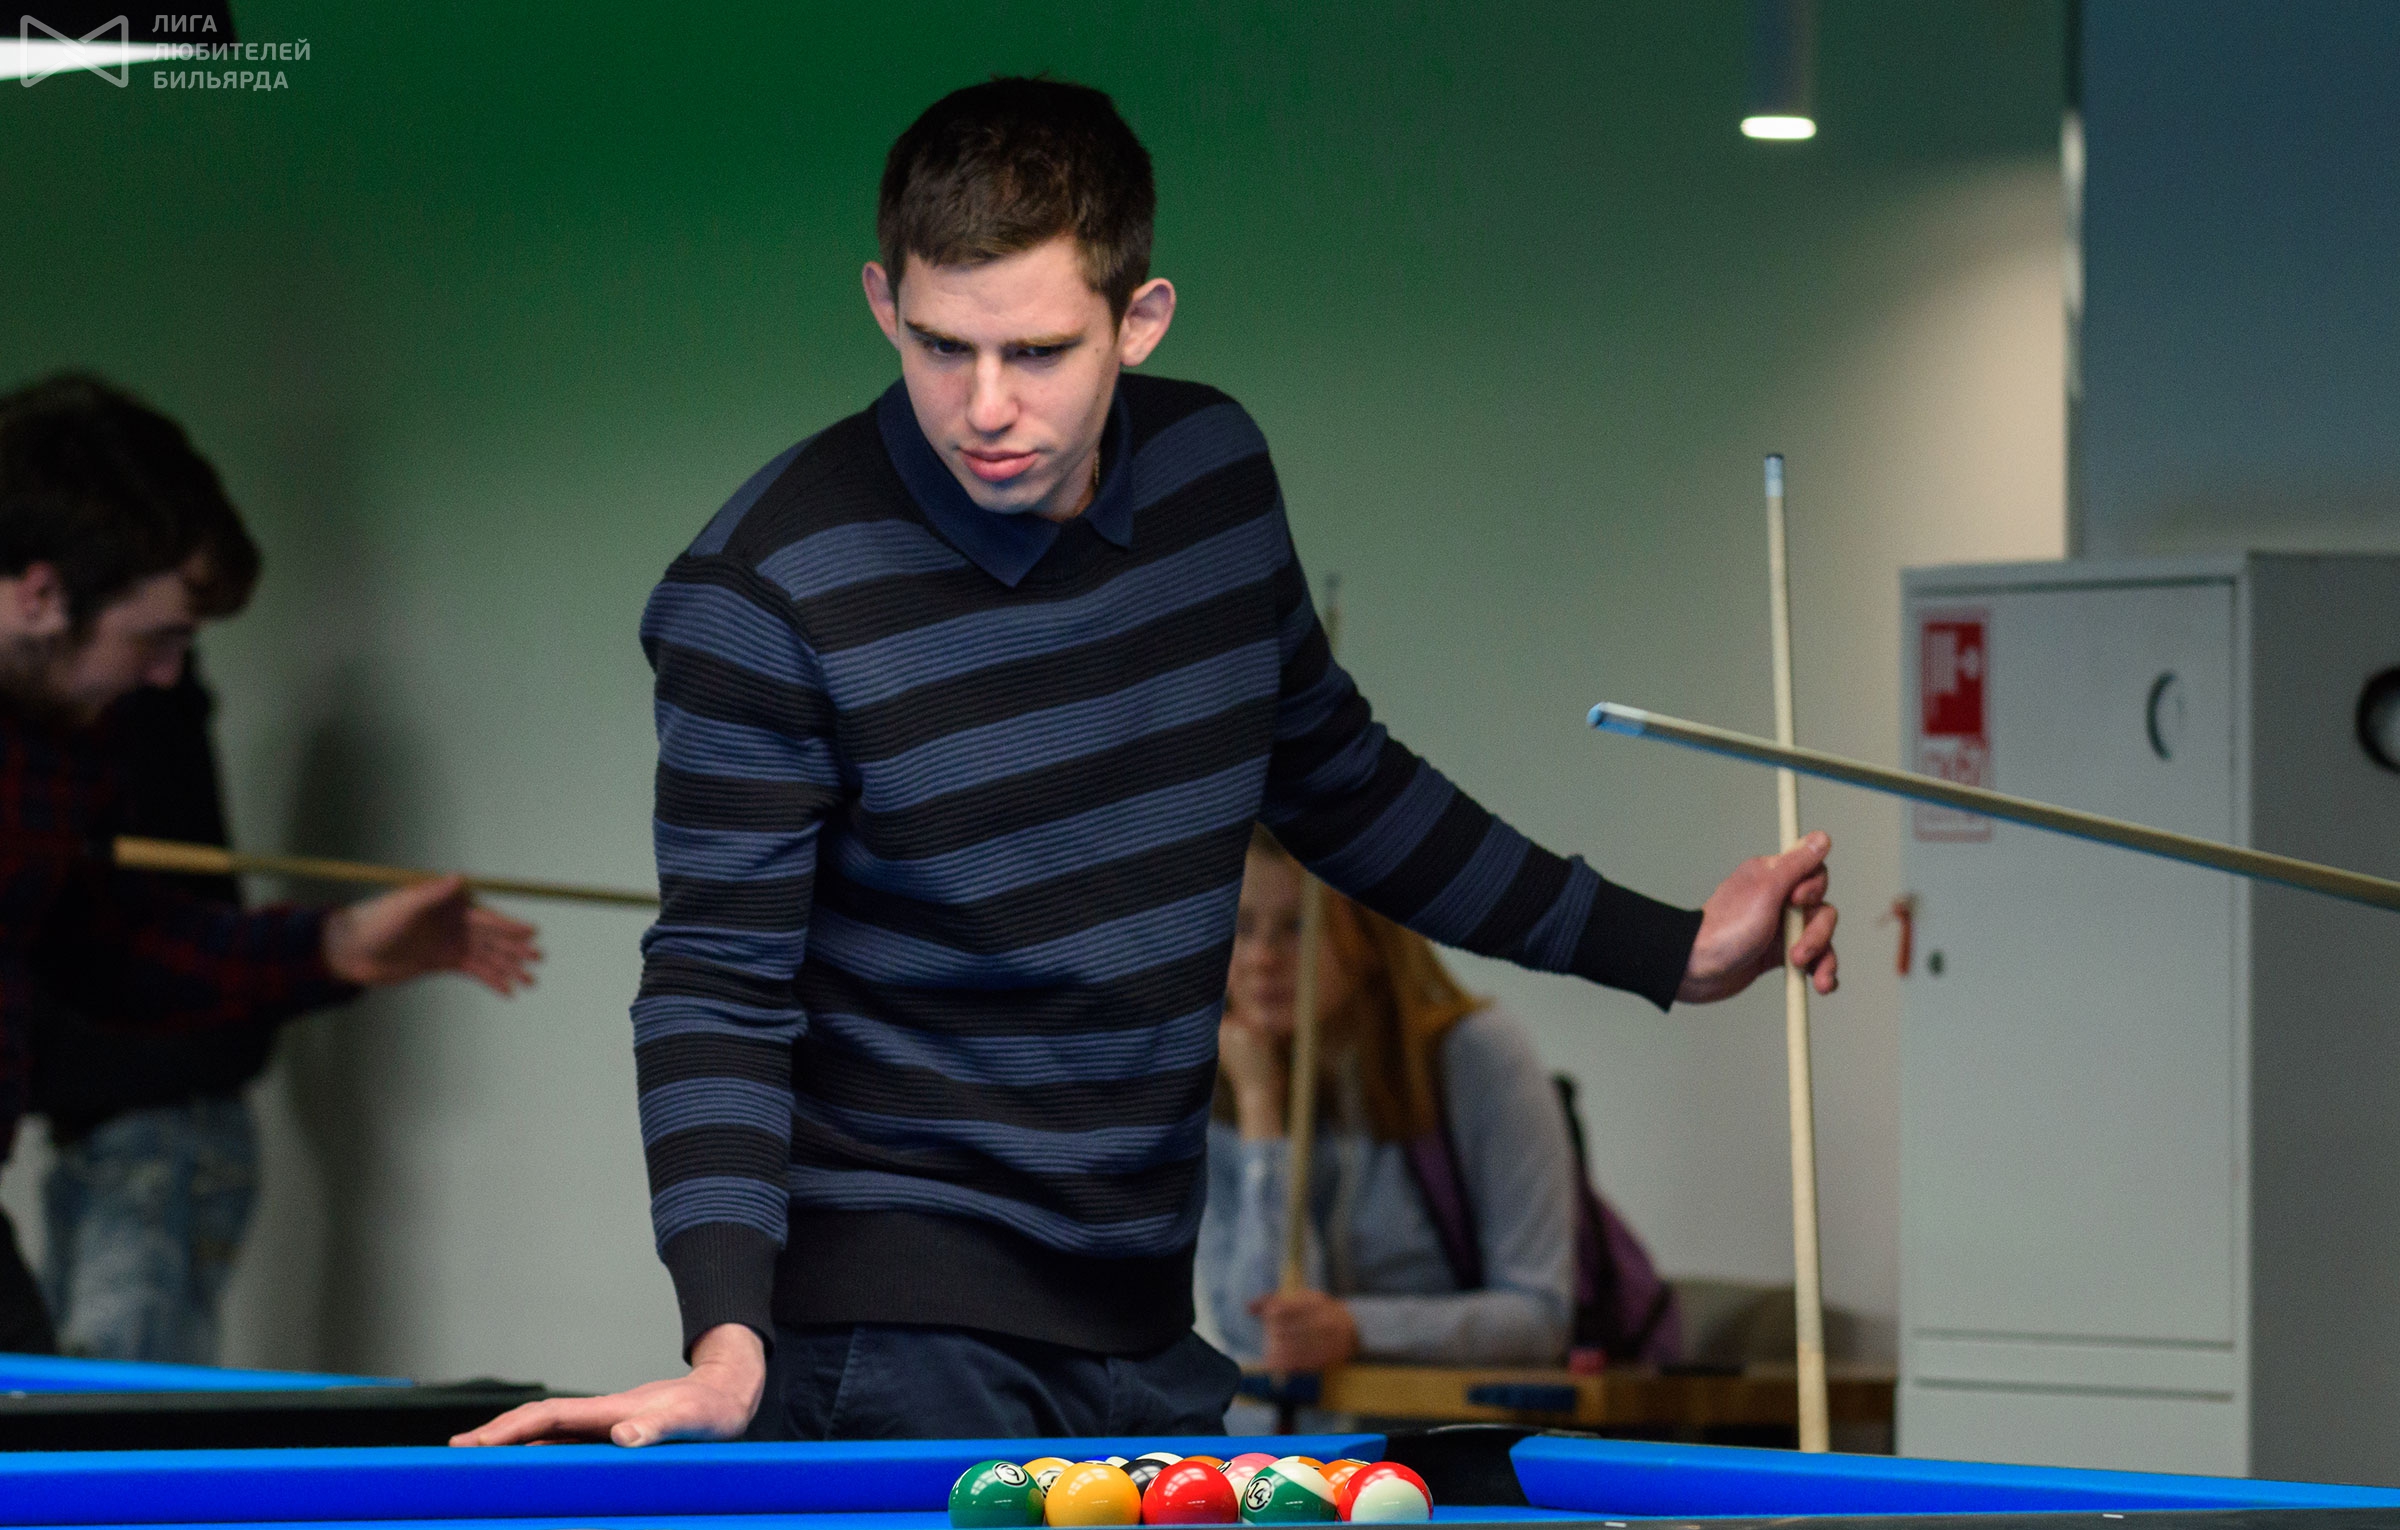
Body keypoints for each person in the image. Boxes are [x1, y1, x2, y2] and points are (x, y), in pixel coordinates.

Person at [457, 76, 1835, 1449]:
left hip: (1145, 1317)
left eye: (1038, 352)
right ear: (883, 302)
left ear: (1141, 318)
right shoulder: (764, 591)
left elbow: (1345, 783)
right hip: (886, 1335)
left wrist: (1671, 949)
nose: (984, 405)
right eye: (940, 347)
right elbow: (716, 982)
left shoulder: (1209, 478)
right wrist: (725, 1335)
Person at [0, 372, 543, 1353]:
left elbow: (107, 943)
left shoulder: (62, 738)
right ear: (40, 594)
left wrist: (336, 946)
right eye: (157, 639)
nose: (168, 676)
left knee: (61, 1433)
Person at [1201, 827, 1577, 1370]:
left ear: (1369, 934)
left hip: (1441, 1419)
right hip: (1294, 1426)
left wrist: (1357, 1328)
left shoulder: (1475, 1056)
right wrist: (1260, 1110)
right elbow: (1261, 1334)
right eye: (1240, 927)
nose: (1261, 957)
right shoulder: (1233, 1080)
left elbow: (1540, 1315)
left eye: (1296, 927)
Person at [33, 655, 277, 1363]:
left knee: (120, 1402)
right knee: (63, 1392)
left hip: (161, 1116)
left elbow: (153, 937)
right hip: (101, 1118)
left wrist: (334, 946)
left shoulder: (140, 715)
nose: (165, 666)